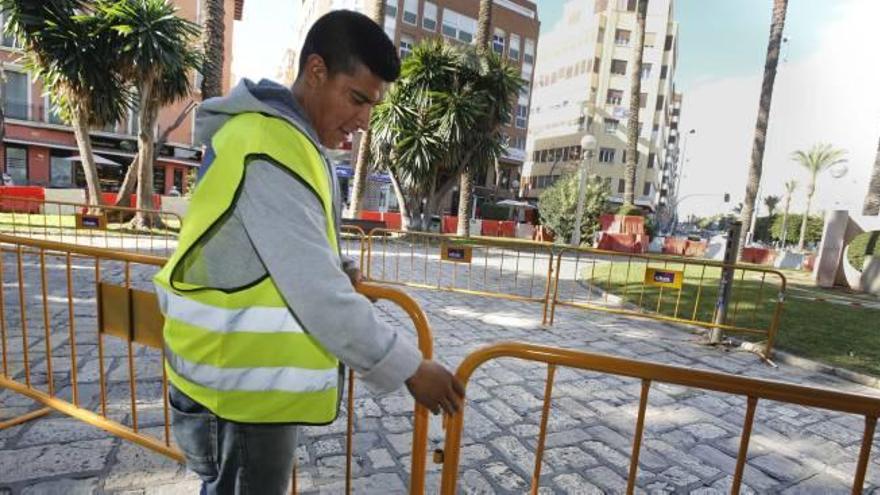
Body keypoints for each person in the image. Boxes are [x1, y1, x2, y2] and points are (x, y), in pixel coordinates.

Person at [153, 10, 464, 495]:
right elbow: (315, 293)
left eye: (372, 106)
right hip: (238, 395)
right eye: (357, 99)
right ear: (316, 72)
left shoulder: (278, 139)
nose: (363, 120)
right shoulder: (270, 147)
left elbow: (267, 243)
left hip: (225, 384)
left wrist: (336, 264)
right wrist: (409, 368)